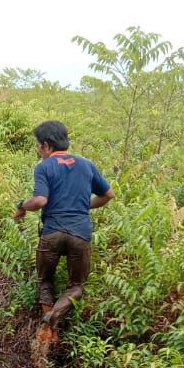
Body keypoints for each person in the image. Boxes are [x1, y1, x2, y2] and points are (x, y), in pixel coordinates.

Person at [14, 120, 114, 344]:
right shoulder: (86, 164)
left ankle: (48, 323)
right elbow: (108, 195)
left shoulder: (44, 166)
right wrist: (82, 206)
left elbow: (40, 200)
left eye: (38, 146)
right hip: (80, 234)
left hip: (51, 233)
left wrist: (21, 206)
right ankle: (52, 326)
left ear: (46, 145)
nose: (38, 150)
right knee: (76, 286)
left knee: (45, 281)